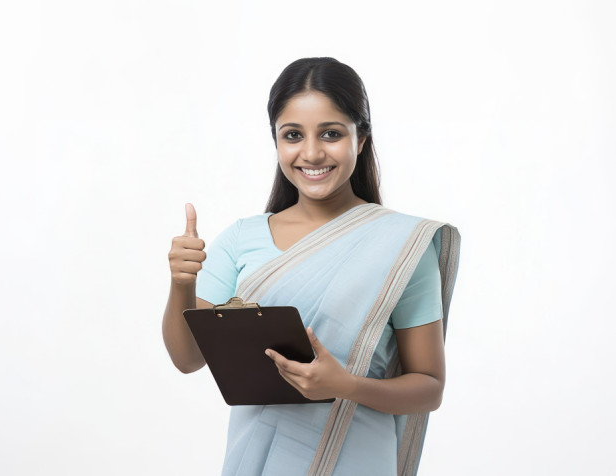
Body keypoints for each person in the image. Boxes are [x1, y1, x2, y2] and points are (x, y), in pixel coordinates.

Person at [162, 57, 461, 476]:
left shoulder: (402, 246)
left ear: (361, 140)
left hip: (358, 460)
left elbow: (429, 387)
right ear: (277, 142)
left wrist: (345, 386)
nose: (311, 152)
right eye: (292, 135)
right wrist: (181, 283)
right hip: (259, 460)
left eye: (332, 134)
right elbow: (187, 358)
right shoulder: (242, 238)